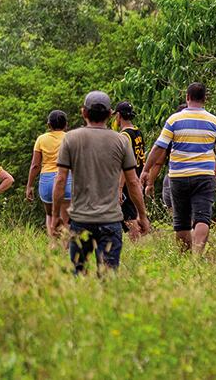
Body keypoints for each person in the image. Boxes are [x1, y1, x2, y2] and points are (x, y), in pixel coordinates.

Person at [54, 91, 150, 274]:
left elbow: (60, 180)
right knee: (107, 275)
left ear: (84, 112)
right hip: (110, 220)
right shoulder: (121, 141)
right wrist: (142, 215)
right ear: (110, 114)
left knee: (78, 274)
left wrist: (55, 216)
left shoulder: (71, 138)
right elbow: (133, 182)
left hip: (80, 219)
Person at [141, 83, 216, 254]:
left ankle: (184, 257)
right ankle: (197, 256)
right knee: (202, 217)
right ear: (205, 99)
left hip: (178, 177)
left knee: (181, 221)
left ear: (187, 97)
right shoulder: (215, 121)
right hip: (204, 176)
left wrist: (146, 170)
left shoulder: (174, 120)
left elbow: (159, 147)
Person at [26, 110, 73, 238]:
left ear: (48, 125)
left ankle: (53, 242)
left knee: (50, 214)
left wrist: (29, 186)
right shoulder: (70, 138)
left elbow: (35, 165)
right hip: (66, 179)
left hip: (46, 181)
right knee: (66, 217)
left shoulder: (41, 139)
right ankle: (65, 245)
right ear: (66, 124)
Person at [144, 102, 188, 215]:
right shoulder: (201, 131)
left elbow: (158, 162)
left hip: (175, 176)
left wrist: (150, 182)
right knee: (196, 215)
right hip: (199, 176)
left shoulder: (172, 130)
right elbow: (213, 156)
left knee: (176, 216)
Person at [114, 102, 147, 241]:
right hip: (138, 176)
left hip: (128, 180)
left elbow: (124, 164)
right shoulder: (137, 132)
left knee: (129, 214)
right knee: (134, 211)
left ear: (118, 116)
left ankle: (136, 242)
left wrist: (120, 187)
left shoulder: (124, 135)